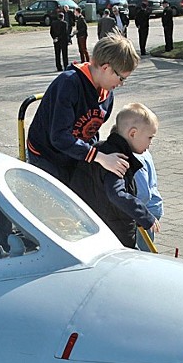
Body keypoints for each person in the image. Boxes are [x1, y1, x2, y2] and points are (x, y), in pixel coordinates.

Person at [26, 34, 140, 183]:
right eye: (121, 78)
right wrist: (99, 157)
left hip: (72, 154)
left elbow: (91, 131)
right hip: (46, 155)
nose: (121, 84)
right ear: (106, 68)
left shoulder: (107, 94)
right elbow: (59, 137)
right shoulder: (69, 84)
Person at [68, 102, 160, 249]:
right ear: (133, 133)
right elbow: (116, 194)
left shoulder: (100, 150)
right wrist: (143, 215)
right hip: (114, 232)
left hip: (94, 224)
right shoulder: (118, 160)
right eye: (149, 138)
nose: (150, 144)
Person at [133, 149, 163, 252]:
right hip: (151, 206)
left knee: (144, 251)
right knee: (145, 247)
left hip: (145, 209)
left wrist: (135, 211)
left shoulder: (135, 158)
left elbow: (143, 194)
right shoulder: (142, 151)